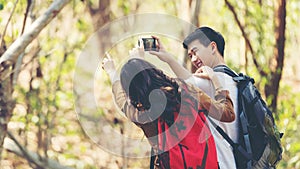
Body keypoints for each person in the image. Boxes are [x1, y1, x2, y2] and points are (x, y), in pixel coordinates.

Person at [102, 48, 235, 168]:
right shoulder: (186, 90)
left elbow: (121, 100)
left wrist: (111, 72)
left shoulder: (142, 115)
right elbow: (227, 114)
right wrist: (216, 82)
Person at [149, 27, 239, 169]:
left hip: (218, 162)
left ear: (213, 47)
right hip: (233, 161)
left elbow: (183, 84)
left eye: (195, 52)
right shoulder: (234, 77)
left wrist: (165, 58)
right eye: (190, 56)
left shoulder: (210, 81)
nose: (194, 59)